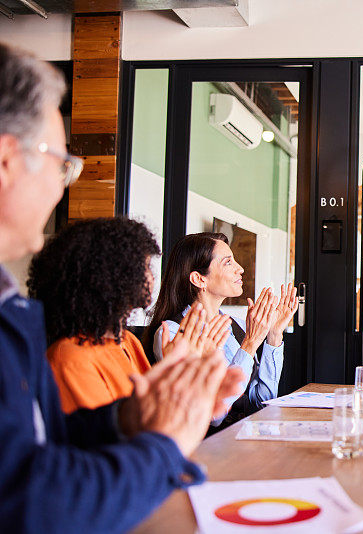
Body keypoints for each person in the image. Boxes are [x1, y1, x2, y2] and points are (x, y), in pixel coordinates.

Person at [0, 42, 245, 533]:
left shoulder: (14, 309)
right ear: (7, 160)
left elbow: (42, 445)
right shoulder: (53, 344)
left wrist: (132, 418)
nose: (63, 184)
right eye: (60, 162)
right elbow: (27, 496)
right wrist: (162, 447)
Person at [26, 218, 231, 413]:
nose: (151, 277)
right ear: (107, 278)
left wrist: (175, 375)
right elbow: (123, 436)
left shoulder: (127, 341)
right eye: (143, 267)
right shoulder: (71, 358)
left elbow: (156, 409)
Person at [145, 232, 298, 429]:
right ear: (199, 279)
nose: (240, 269)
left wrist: (274, 336)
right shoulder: (172, 334)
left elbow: (261, 404)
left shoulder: (236, 325)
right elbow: (213, 417)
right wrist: (250, 345)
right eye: (228, 263)